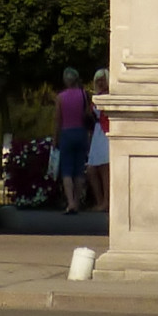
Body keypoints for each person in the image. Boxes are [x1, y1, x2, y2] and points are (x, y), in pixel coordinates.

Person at [53, 69, 92, 215]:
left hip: (66, 133)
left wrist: (55, 138)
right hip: (81, 133)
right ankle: (77, 201)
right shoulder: (84, 95)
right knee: (79, 169)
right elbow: (88, 114)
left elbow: (58, 120)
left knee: (67, 170)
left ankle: (70, 203)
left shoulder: (60, 97)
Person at [86, 68, 110, 212]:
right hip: (97, 132)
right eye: (98, 80)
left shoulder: (109, 96)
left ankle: (106, 201)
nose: (100, 82)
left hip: (105, 132)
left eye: (103, 79)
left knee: (104, 169)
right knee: (91, 169)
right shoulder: (97, 96)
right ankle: (100, 200)